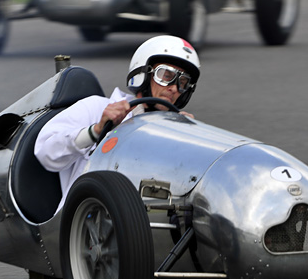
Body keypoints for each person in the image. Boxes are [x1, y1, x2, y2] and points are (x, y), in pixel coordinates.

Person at [34, 35, 200, 208]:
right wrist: (96, 130)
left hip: (151, 220)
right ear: (144, 73)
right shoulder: (96, 107)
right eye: (166, 75)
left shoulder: (177, 130)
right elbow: (46, 152)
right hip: (87, 216)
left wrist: (190, 145)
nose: (173, 88)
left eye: (182, 82)